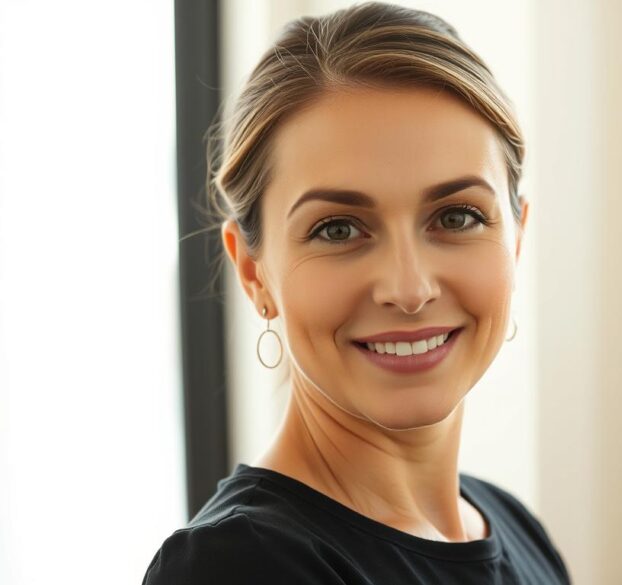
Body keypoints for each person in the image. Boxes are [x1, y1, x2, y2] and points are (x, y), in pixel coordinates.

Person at [143, 4, 569, 584]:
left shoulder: (516, 527)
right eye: (338, 229)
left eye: (458, 216)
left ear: (515, 240)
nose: (409, 289)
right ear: (252, 272)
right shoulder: (236, 567)